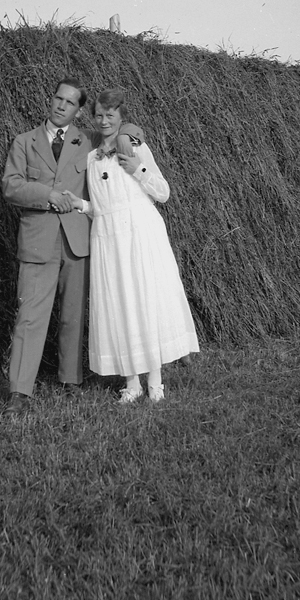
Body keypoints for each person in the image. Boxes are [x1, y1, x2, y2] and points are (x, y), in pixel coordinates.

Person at [1, 77, 144, 415]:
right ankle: (19, 391)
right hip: (38, 243)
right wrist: (47, 195)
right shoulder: (24, 141)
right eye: (58, 98)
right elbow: (11, 186)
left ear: (79, 111)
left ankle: (71, 381)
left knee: (73, 315)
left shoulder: (89, 140)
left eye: (69, 102)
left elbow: (126, 128)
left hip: (78, 241)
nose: (61, 105)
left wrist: (126, 135)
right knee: (30, 316)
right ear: (51, 100)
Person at [64, 88, 199, 403]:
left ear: (121, 117)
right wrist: (80, 205)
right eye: (99, 115)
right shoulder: (91, 159)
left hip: (141, 233)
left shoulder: (137, 147)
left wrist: (137, 168)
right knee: (119, 305)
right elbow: (101, 207)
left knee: (144, 300)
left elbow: (162, 192)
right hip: (108, 238)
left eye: (110, 115)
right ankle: (132, 383)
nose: (104, 121)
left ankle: (155, 381)